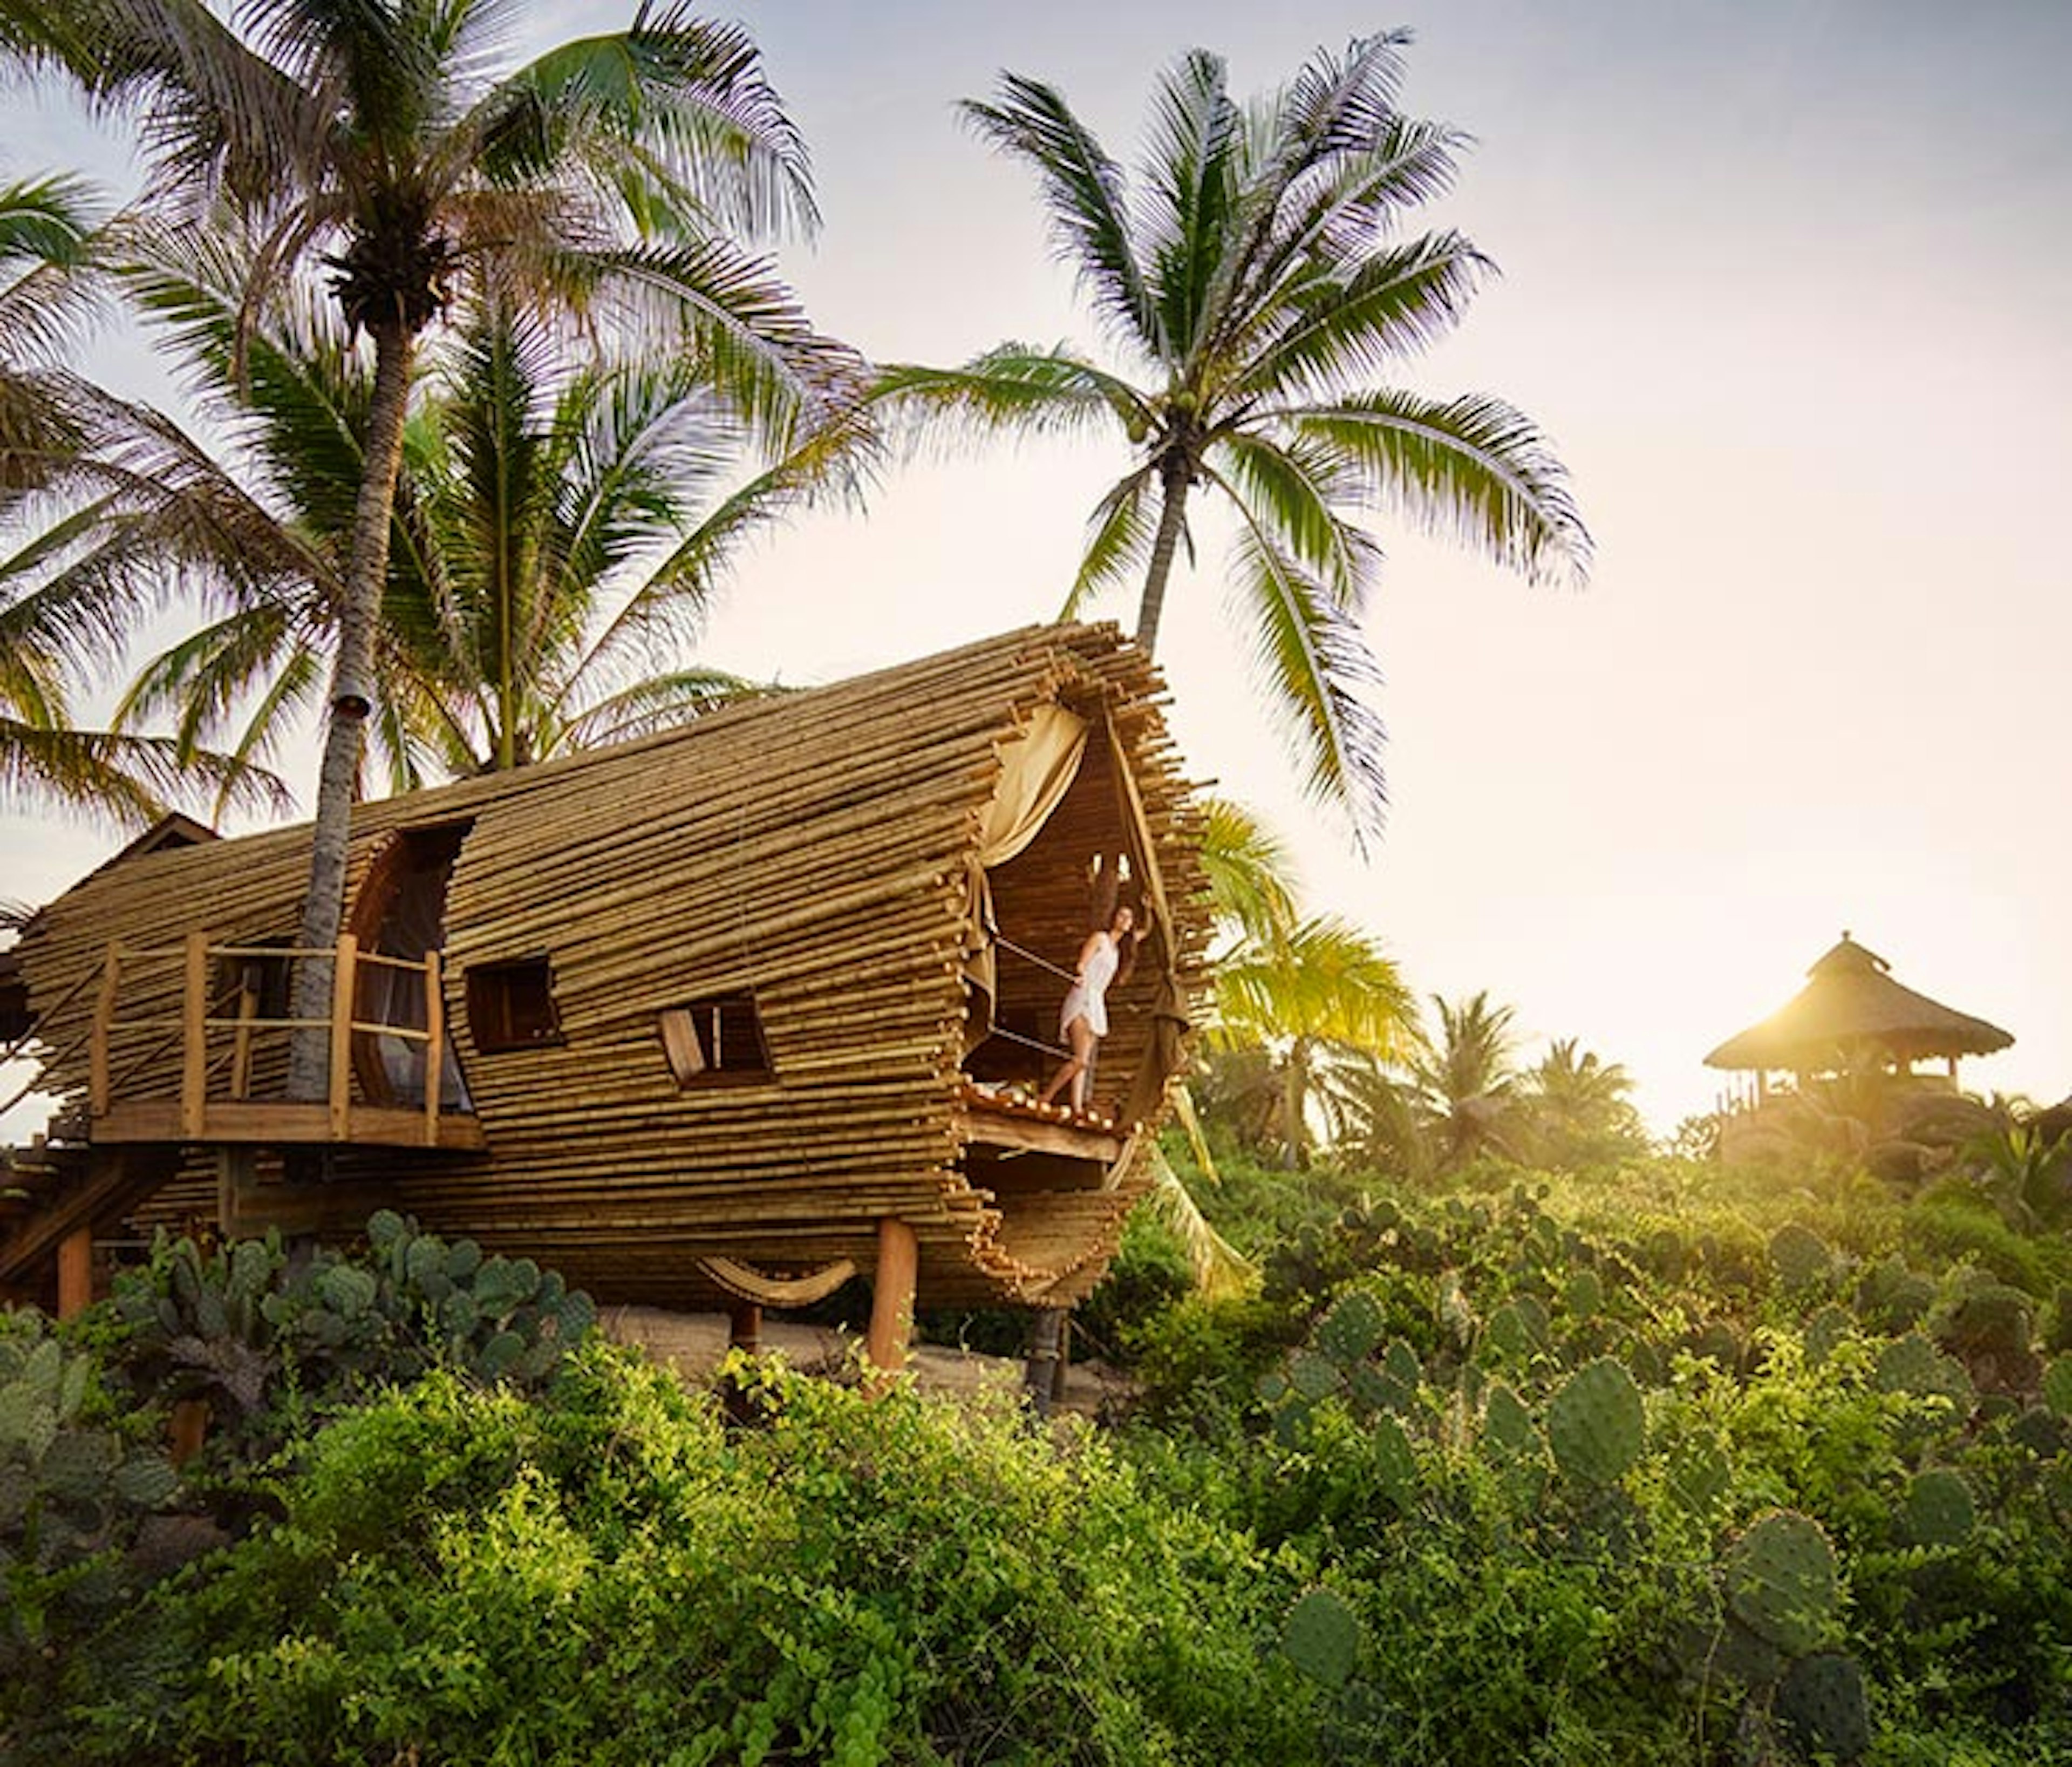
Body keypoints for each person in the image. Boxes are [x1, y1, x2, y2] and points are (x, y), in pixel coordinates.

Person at [1038, 901, 1149, 1113]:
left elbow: (1146, 931)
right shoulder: (1101, 938)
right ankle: (1047, 1097)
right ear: (1114, 918)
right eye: (1121, 916)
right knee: (1080, 1059)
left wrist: (1149, 908)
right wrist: (1080, 974)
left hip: (1097, 1001)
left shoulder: (1118, 951)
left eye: (1129, 918)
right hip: (1083, 995)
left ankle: (1077, 1108)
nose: (1125, 920)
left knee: (1084, 1063)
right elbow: (1083, 961)